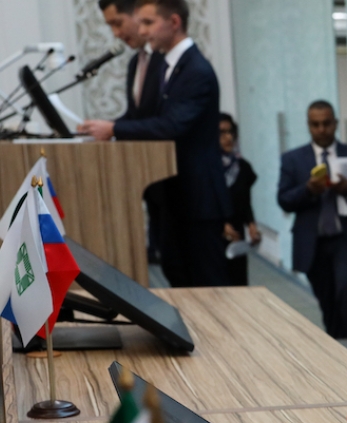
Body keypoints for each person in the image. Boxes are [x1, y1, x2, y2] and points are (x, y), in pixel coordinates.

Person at [80, 0, 230, 288]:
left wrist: (114, 128)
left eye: (148, 23)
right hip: (172, 191)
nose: (142, 29)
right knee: (179, 276)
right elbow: (149, 118)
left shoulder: (196, 69)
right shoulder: (168, 66)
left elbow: (172, 126)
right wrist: (109, 129)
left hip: (196, 195)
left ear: (173, 22)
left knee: (208, 284)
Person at [277, 101, 347, 338]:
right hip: (313, 243)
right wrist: (308, 190)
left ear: (335, 123)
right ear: (308, 126)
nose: (322, 129)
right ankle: (338, 348)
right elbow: (284, 200)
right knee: (328, 303)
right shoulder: (293, 160)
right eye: (316, 124)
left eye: (326, 123)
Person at [97, 0, 165, 263]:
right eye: (110, 26)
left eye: (118, 23)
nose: (116, 33)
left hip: (175, 180)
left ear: (137, 15)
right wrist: (104, 130)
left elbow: (164, 122)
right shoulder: (136, 63)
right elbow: (136, 117)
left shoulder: (167, 61)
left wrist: (114, 128)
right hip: (150, 183)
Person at [219, 113, 260, 286]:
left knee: (239, 284)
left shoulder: (242, 166)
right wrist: (220, 225)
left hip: (236, 236)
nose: (228, 137)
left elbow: (245, 201)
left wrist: (251, 224)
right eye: (221, 133)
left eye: (231, 132)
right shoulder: (207, 168)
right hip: (212, 235)